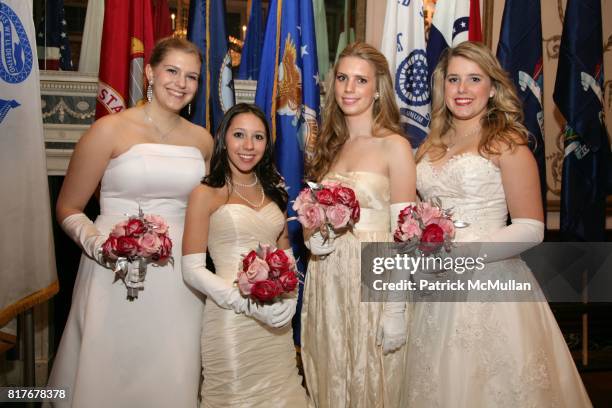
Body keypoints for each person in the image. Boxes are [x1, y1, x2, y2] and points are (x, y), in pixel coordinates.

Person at [406, 41, 592, 407]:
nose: (462, 90)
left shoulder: (508, 144)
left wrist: (462, 255)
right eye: (454, 79)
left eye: (474, 79)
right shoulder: (429, 147)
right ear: (442, 87)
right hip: (434, 287)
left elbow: (531, 228)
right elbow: (418, 212)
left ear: (492, 88)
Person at [47, 37, 212, 407]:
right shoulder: (110, 130)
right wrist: (102, 249)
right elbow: (68, 207)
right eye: (172, 71)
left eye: (192, 77)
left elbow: (210, 210)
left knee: (172, 367)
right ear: (150, 72)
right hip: (112, 272)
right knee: (109, 368)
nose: (181, 83)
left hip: (179, 278)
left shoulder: (203, 141)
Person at [300, 42, 417, 408]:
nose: (349, 88)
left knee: (372, 375)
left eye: (360, 80)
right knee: (332, 368)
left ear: (378, 88)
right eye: (342, 78)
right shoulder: (328, 145)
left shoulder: (394, 146)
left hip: (374, 275)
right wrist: (311, 238)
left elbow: (406, 233)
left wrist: (395, 308)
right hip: (328, 278)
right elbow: (313, 214)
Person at [181, 103, 309, 407]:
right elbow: (192, 270)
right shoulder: (206, 193)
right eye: (239, 135)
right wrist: (248, 305)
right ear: (224, 138)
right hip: (231, 320)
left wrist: (289, 302)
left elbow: (286, 260)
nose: (249, 146)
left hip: (275, 326)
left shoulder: (275, 191)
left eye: (258, 137)